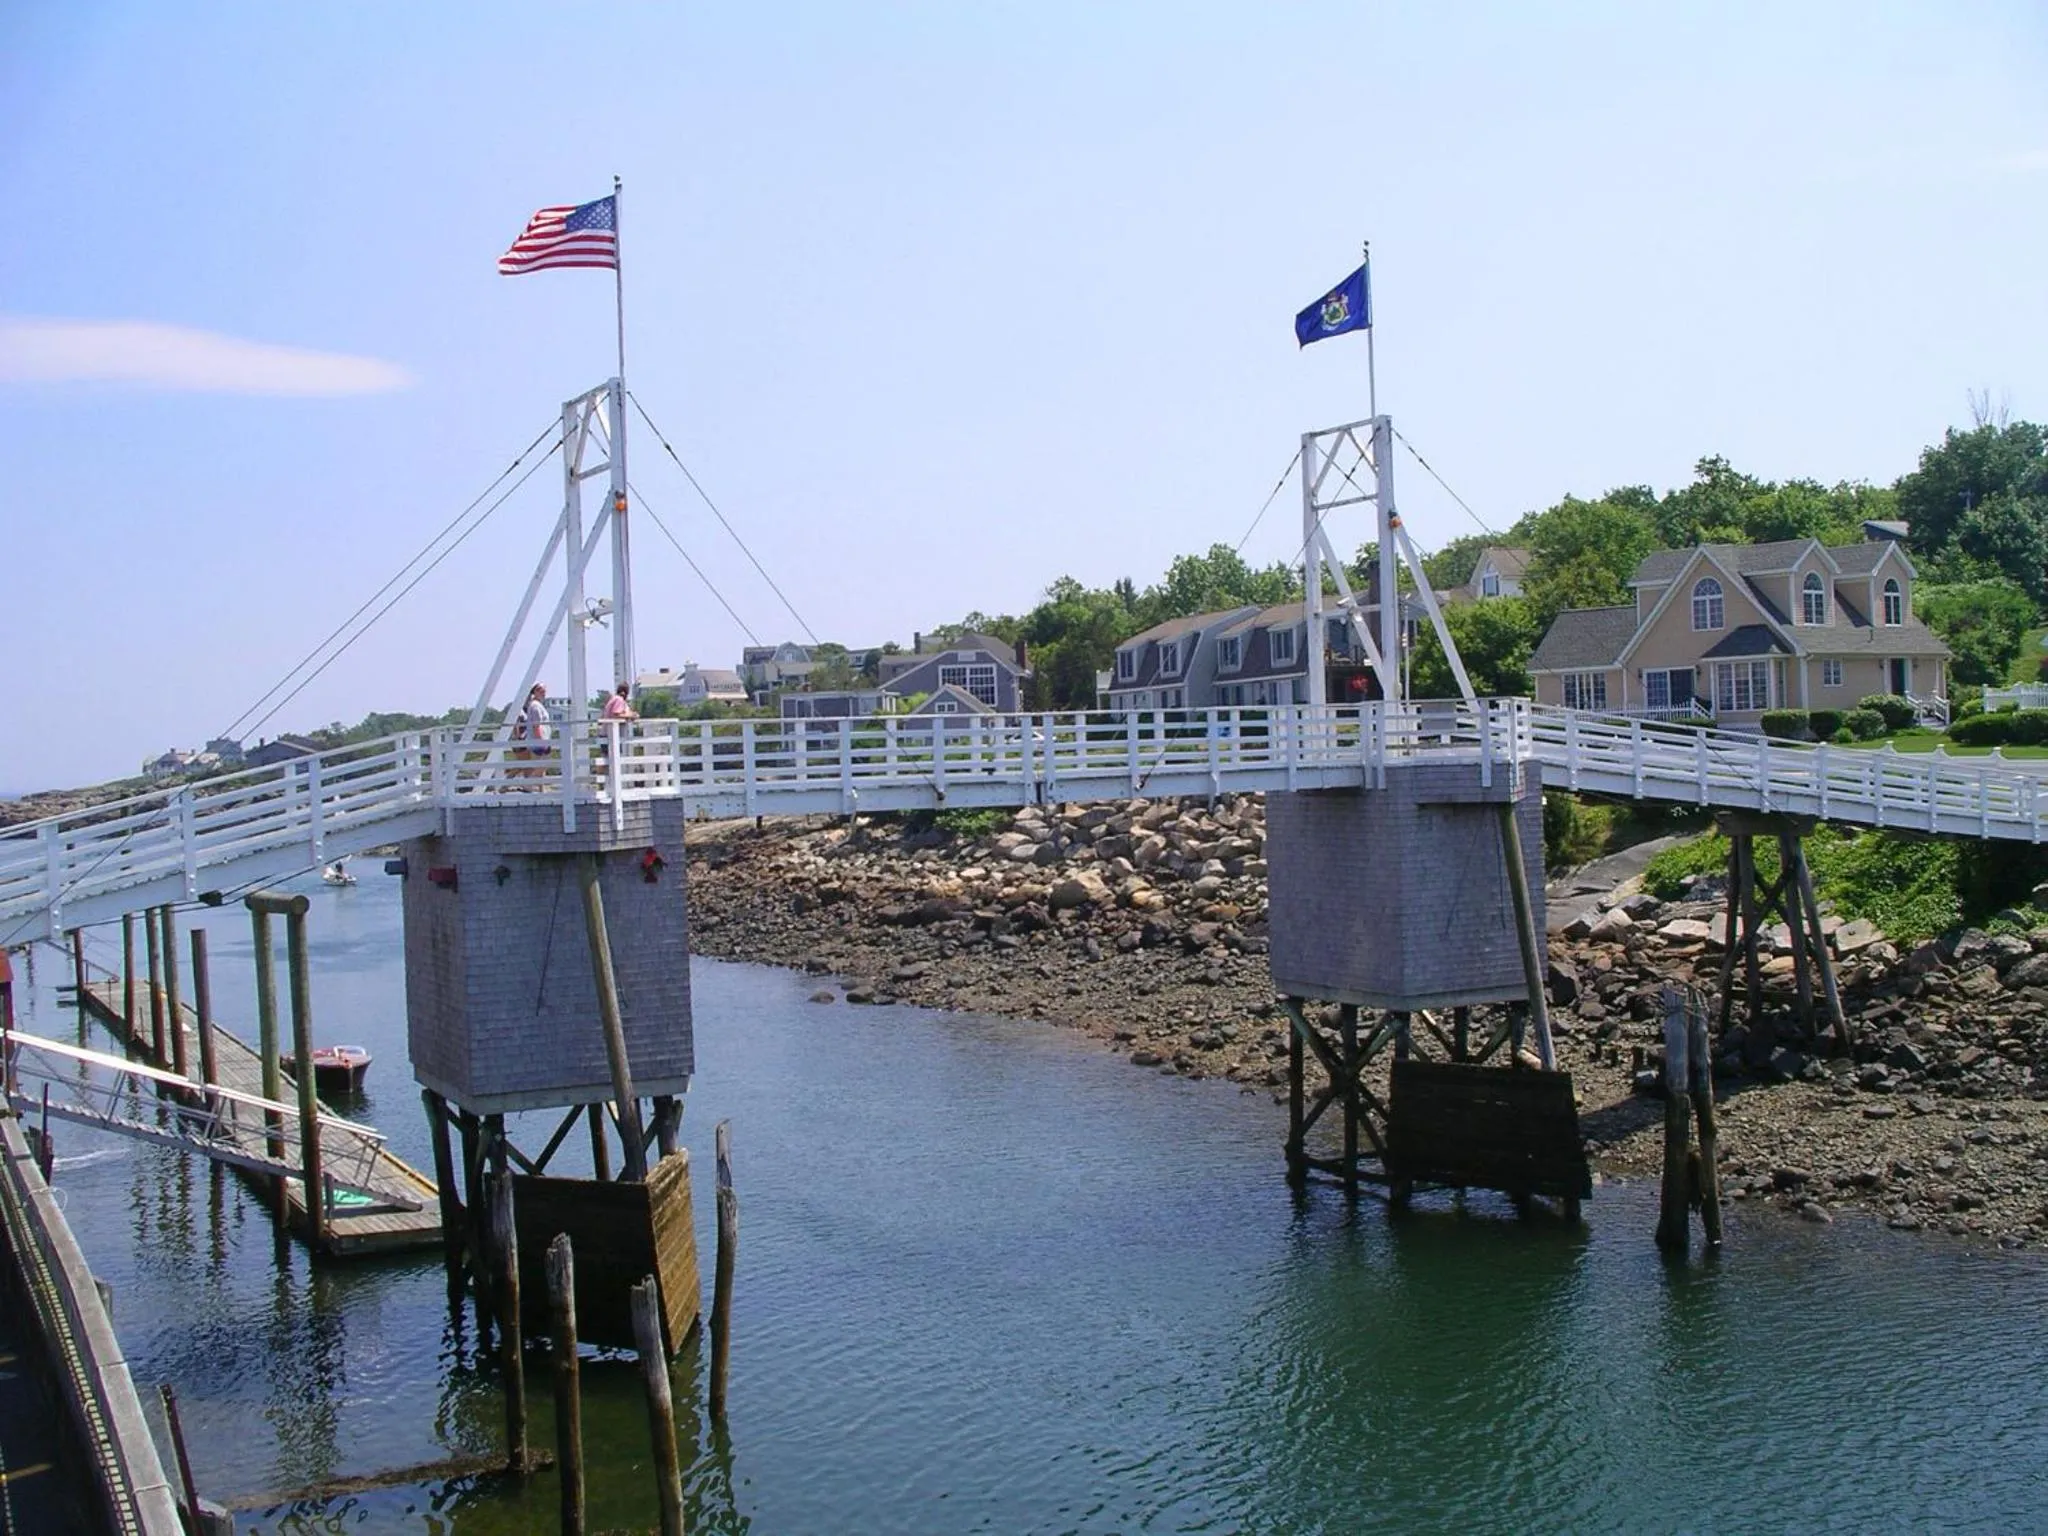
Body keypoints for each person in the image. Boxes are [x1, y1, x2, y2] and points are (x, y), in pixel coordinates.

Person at [511, 682, 553, 777]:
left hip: (534, 739)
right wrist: (540, 740)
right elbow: (535, 725)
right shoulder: (534, 706)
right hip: (532, 740)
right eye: (542, 691)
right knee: (530, 766)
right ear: (535, 692)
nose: (544, 694)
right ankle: (526, 784)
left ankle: (536, 788)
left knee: (536, 766)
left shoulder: (534, 706)